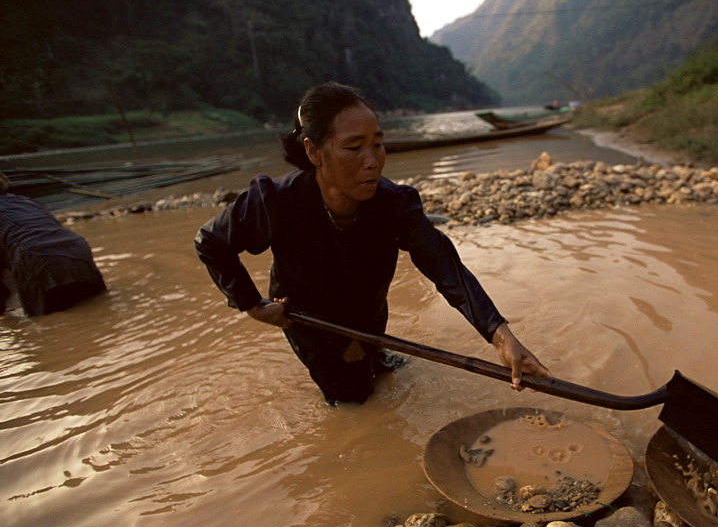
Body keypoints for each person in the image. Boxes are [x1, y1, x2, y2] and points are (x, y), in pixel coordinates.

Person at [195, 82, 549, 405]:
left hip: (369, 311)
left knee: (378, 365)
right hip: (312, 323)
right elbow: (210, 241)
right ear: (314, 152)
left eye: (377, 144)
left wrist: (501, 338)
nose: (372, 161)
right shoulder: (276, 201)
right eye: (353, 147)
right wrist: (252, 306)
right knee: (354, 401)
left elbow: (443, 265)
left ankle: (373, 355)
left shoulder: (394, 203)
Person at [0, 173, 106, 316]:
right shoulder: (25, 201)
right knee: (99, 308)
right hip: (76, 248)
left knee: (44, 323)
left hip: (35, 257)